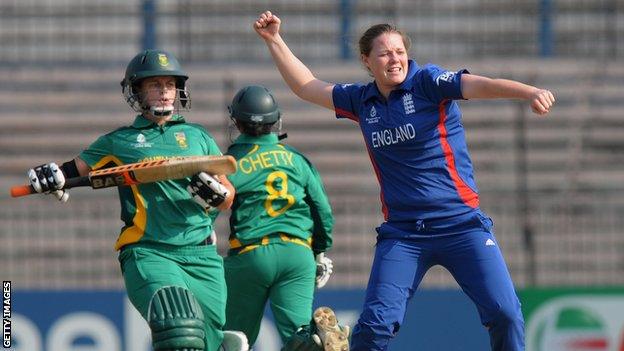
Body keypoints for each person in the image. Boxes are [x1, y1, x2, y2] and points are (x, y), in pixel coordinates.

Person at [253, 11, 556, 351]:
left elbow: (478, 85)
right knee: (373, 329)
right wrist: (274, 40)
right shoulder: (361, 100)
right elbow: (307, 87)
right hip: (405, 233)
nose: (394, 58)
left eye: (399, 51)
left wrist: (530, 92)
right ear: (367, 61)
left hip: (462, 225)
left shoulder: (427, 82)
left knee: (506, 314)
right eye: (384, 53)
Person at [24, 49, 249, 351]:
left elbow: (228, 196)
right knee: (178, 326)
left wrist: (219, 196)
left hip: (203, 256)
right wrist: (51, 177)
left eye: (169, 85)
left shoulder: (198, 136)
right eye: (155, 85)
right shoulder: (119, 141)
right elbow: (72, 170)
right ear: (137, 91)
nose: (164, 92)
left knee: (206, 343)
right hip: (150, 252)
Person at [223, 84, 349, 351]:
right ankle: (313, 343)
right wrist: (319, 252)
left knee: (232, 336)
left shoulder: (230, 162)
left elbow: (211, 204)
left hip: (251, 254)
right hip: (297, 253)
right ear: (276, 120)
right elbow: (322, 210)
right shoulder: (297, 160)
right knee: (299, 336)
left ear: (237, 122)